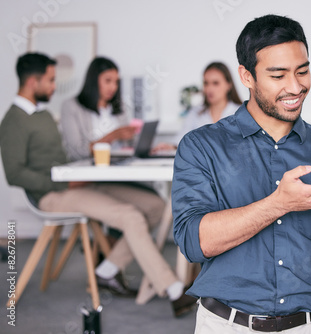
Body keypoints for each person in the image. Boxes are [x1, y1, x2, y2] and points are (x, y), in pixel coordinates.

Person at [173, 14, 311, 333]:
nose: (295, 86)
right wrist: (278, 203)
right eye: (278, 75)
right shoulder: (201, 146)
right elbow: (193, 241)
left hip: (307, 326)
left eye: (302, 71)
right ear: (246, 76)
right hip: (224, 326)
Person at [0, 52, 197, 317]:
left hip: (77, 183)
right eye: (50, 80)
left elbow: (64, 158)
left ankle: (106, 272)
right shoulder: (13, 121)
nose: (53, 86)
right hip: (50, 193)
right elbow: (14, 174)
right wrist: (62, 182)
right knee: (130, 216)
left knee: (155, 206)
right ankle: (173, 289)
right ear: (33, 82)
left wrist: (74, 177)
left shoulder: (43, 116)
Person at [60, 56, 136, 161]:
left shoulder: (119, 106)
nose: (113, 87)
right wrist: (112, 136)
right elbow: (76, 152)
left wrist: (150, 147)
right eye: (108, 81)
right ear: (94, 80)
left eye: (116, 82)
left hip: (121, 166)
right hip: (89, 170)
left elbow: (130, 146)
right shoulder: (71, 106)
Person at [174, 61, 242, 145]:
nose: (209, 89)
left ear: (228, 85)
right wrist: (169, 147)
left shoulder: (241, 113)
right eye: (206, 83)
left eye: (215, 83)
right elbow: (180, 141)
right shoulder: (195, 112)